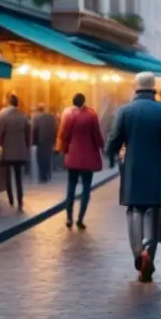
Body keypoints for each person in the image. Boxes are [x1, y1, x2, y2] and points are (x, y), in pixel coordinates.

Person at [106, 72, 161, 282]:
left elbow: (114, 139)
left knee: (134, 210)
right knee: (153, 212)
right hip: (155, 169)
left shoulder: (125, 111)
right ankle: (148, 251)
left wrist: (110, 155)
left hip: (132, 169)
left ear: (136, 88)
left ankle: (138, 254)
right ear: (153, 87)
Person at [59, 93, 105, 229]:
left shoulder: (67, 114)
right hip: (88, 157)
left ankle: (68, 218)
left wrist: (63, 149)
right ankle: (80, 218)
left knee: (71, 187)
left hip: (73, 156)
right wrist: (102, 147)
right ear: (84, 101)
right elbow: (97, 135)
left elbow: (63, 135)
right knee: (86, 188)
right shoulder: (91, 115)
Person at [0, 94, 32, 211]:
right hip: (20, 152)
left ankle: (10, 199)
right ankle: (19, 200)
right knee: (18, 177)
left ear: (8, 102)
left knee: (6, 176)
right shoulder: (23, 116)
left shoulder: (3, 115)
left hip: (7, 152)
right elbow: (28, 135)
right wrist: (26, 147)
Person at [31, 103, 57, 183]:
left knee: (41, 158)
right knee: (48, 157)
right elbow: (55, 129)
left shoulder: (36, 118)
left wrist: (33, 142)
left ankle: (43, 176)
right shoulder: (51, 117)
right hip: (49, 141)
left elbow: (34, 130)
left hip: (40, 141)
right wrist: (54, 140)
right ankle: (48, 173)